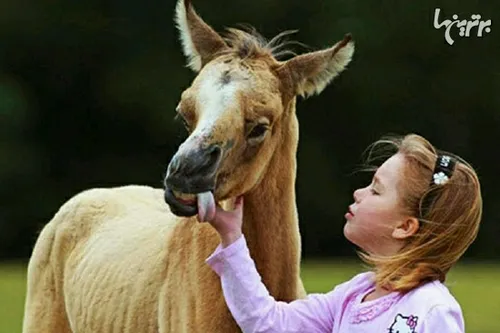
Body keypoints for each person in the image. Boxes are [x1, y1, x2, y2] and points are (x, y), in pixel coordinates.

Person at [203, 133, 482, 333]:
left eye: (376, 189)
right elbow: (270, 322)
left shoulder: (431, 311)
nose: (359, 193)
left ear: (405, 227)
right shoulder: (353, 295)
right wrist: (232, 237)